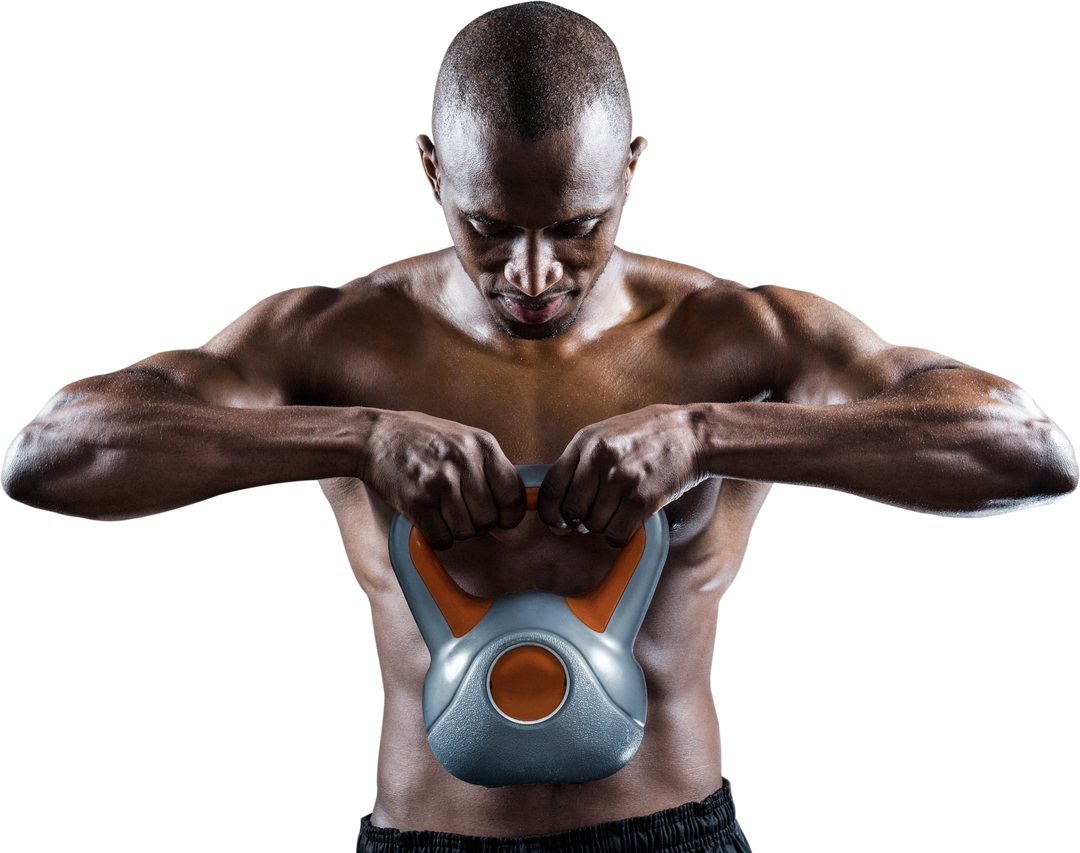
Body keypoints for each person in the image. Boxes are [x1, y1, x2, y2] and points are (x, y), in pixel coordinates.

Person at [3, 2, 1076, 851]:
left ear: (633, 171)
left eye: (576, 227)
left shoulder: (738, 333)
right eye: (486, 227)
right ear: (430, 169)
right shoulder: (334, 335)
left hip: (674, 837)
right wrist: (357, 436)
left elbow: (1027, 448)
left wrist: (709, 435)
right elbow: (51, 455)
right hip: (425, 837)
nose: (529, 274)